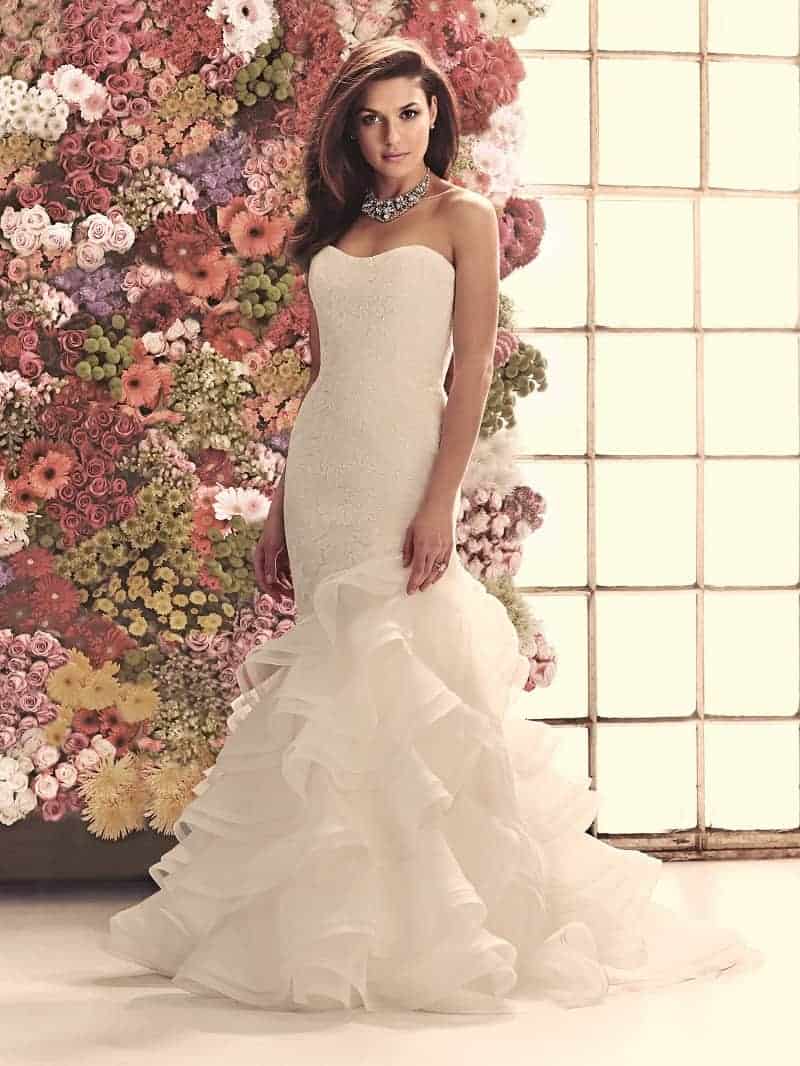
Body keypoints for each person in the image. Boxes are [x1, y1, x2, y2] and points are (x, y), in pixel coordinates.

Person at [105, 36, 764, 1014]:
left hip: (401, 470)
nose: (391, 136)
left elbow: (472, 371)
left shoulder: (464, 216)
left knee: (405, 673)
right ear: (350, 130)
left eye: (408, 114)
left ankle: (437, 926)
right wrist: (280, 507)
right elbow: (322, 379)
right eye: (371, 119)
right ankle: (332, 927)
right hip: (325, 475)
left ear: (435, 116)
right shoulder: (336, 224)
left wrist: (437, 502)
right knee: (335, 686)